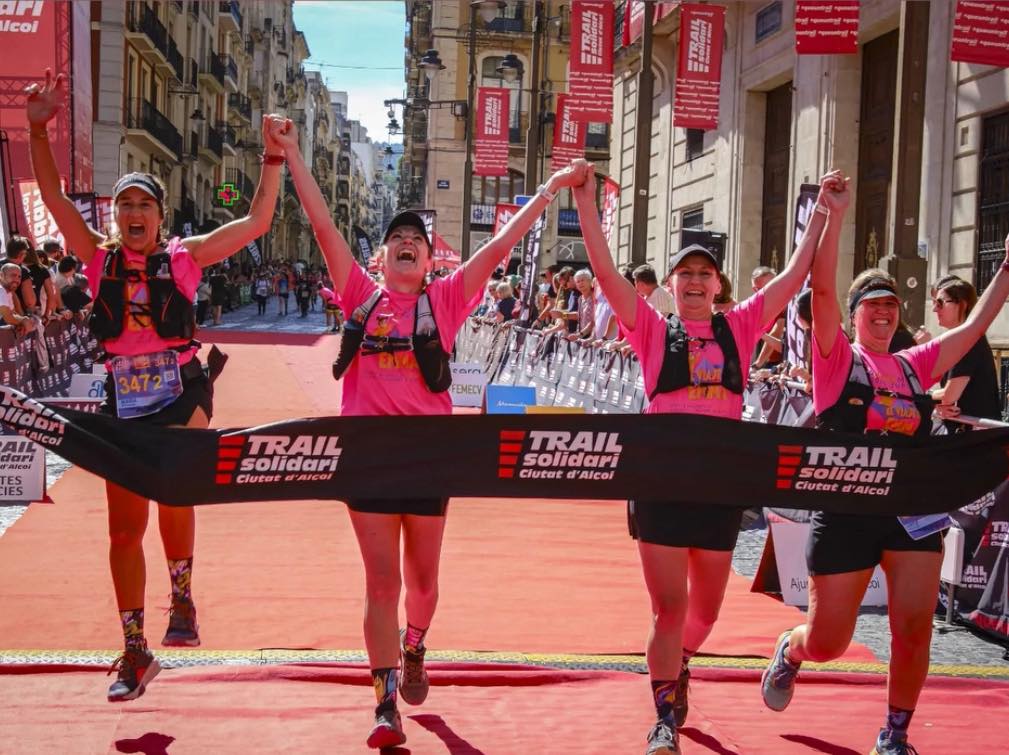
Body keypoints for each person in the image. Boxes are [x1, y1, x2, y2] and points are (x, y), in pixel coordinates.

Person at [271, 115, 589, 750]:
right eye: (397, 239)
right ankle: (385, 700)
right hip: (367, 459)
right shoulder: (359, 292)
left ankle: (415, 644)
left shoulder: (444, 302)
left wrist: (550, 188)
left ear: (428, 255)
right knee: (381, 583)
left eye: (416, 237)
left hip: (428, 459)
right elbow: (324, 225)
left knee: (420, 584)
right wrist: (292, 154)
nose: (408, 242)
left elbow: (498, 250)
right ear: (382, 257)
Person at [25, 68, 285, 703]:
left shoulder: (184, 258)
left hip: (181, 389)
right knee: (121, 529)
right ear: (114, 218)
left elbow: (254, 222)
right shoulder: (96, 255)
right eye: (124, 205)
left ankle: (184, 598)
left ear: (161, 216)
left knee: (175, 493)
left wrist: (273, 156)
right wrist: (37, 127)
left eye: (143, 204)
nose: (133, 213)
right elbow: (56, 199)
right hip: (124, 396)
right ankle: (134, 647)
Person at [574, 160, 838, 755]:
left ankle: (680, 662)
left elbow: (796, 273)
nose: (694, 281)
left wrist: (824, 208)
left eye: (705, 274)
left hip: (718, 489)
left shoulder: (740, 328)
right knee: (669, 610)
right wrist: (587, 201)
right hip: (662, 484)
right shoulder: (649, 327)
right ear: (671, 283)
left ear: (719, 285)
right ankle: (664, 717)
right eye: (685, 273)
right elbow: (605, 269)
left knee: (706, 613)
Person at [759, 176, 1009, 755]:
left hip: (909, 512)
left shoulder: (914, 365)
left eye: (892, 305)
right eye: (873, 304)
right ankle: (790, 651)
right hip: (846, 510)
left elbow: (972, 330)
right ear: (853, 316)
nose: (884, 312)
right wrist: (834, 213)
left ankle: (894, 732)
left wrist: (1004, 270)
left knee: (914, 626)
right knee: (828, 640)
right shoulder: (836, 360)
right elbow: (821, 291)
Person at [920, 275, 1001, 432]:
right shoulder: (958, 340)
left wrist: (924, 397)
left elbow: (949, 395)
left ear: (962, 305)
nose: (934, 308)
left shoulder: (968, 341)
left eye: (940, 302)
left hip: (975, 440)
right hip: (963, 434)